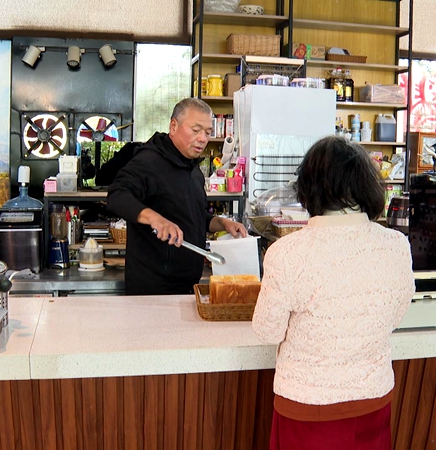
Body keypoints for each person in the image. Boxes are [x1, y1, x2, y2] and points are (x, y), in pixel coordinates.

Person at [252, 136, 415, 450]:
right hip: (372, 399)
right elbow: (395, 315)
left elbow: (267, 331)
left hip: (307, 405)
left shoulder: (287, 252)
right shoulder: (396, 244)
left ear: (308, 187)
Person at [107, 98, 247, 295]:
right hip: (152, 288)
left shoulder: (193, 171)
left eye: (208, 132)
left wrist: (222, 223)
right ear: (174, 126)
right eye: (196, 130)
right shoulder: (148, 161)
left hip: (187, 284)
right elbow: (117, 195)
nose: (203, 138)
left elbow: (193, 216)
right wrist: (155, 218)